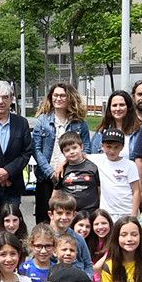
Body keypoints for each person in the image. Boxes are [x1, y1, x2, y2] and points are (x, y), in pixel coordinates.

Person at [32, 82, 93, 213]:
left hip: (72, 175)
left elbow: (87, 148)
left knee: (68, 215)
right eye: (55, 95)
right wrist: (50, 172)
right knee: (44, 216)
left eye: (62, 96)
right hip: (46, 177)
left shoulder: (80, 123)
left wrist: (66, 164)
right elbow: (36, 150)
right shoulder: (42, 121)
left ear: (69, 97)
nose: (58, 99)